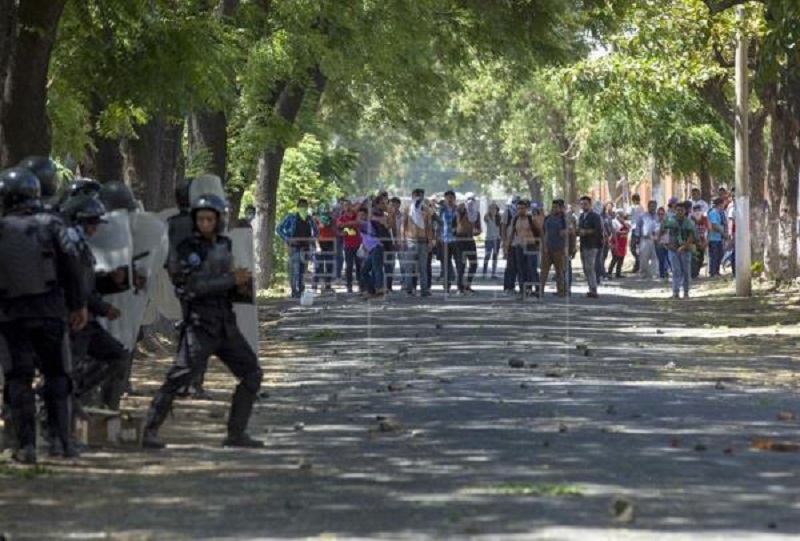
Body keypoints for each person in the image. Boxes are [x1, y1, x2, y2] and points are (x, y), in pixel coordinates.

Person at [143, 193, 263, 449]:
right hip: (200, 325)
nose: (205, 224)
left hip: (225, 324)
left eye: (210, 219)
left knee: (252, 373)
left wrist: (240, 287)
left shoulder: (225, 246)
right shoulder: (186, 250)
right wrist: (232, 280)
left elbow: (226, 283)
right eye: (201, 219)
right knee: (178, 377)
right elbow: (191, 287)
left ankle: (236, 433)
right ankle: (149, 429)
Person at [0, 167, 88, 463]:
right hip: (50, 312)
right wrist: (78, 305)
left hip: (10, 316)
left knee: (18, 379)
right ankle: (62, 442)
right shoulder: (53, 224)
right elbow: (71, 266)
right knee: (58, 376)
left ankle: (25, 446)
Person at [61, 195, 127, 412]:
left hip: (87, 321)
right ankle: (52, 406)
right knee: (66, 370)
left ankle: (72, 396)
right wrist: (103, 308)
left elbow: (88, 285)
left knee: (117, 356)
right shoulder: (66, 248)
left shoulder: (81, 248)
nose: (94, 229)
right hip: (73, 321)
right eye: (90, 223)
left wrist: (112, 281)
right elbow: (74, 287)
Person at [277, 199, 318, 299]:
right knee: (294, 269)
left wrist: (312, 240)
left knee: (302, 270)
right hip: (294, 247)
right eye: (301, 206)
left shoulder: (309, 219)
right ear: (298, 207)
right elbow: (279, 229)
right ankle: (294, 291)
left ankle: (301, 289)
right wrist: (288, 239)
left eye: (305, 206)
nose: (303, 208)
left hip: (306, 248)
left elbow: (316, 231)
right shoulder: (291, 217)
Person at [505, 199, 541, 300]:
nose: (521, 210)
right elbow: (511, 235)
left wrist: (540, 245)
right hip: (518, 247)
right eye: (519, 208)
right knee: (521, 270)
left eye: (523, 208)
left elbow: (540, 232)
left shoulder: (531, 219)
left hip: (530, 246)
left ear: (527, 209)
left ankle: (537, 290)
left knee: (532, 269)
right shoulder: (515, 219)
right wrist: (507, 248)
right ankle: (524, 291)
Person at [661, 202, 696, 299]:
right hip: (673, 249)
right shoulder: (670, 221)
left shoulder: (689, 222)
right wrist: (663, 242)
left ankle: (686, 292)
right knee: (676, 271)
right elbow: (663, 230)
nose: (680, 212)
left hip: (686, 250)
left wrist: (684, 247)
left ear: (685, 211)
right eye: (678, 210)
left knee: (686, 271)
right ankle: (675, 292)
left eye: (682, 210)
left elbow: (691, 236)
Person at [402, 188, 432, 297]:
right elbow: (403, 225)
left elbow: (429, 226)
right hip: (411, 241)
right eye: (416, 195)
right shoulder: (407, 209)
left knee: (423, 268)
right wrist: (402, 239)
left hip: (423, 241)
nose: (419, 198)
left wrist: (430, 241)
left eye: (421, 196)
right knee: (409, 267)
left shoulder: (426, 209)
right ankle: (409, 289)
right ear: (412, 196)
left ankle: (424, 290)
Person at [540, 199, 570, 297]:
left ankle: (561, 291)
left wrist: (567, 247)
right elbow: (544, 233)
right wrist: (543, 246)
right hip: (548, 249)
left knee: (559, 271)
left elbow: (569, 233)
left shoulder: (564, 219)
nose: (553, 209)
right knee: (544, 271)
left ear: (561, 208)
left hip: (559, 249)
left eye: (556, 207)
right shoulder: (547, 218)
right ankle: (540, 290)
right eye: (553, 207)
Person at [578, 196, 603, 298]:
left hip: (592, 244)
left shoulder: (595, 216)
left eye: (585, 204)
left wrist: (586, 231)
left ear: (590, 204)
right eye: (582, 204)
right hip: (583, 244)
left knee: (590, 267)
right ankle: (590, 287)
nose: (584, 206)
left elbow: (597, 230)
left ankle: (594, 288)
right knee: (585, 268)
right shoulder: (581, 216)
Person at [453, 201, 480, 295]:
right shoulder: (460, 211)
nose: (470, 203)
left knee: (474, 264)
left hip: (470, 240)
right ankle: (460, 288)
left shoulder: (476, 214)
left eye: (473, 200)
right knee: (461, 265)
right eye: (468, 200)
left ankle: (467, 285)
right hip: (460, 240)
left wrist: (476, 231)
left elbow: (479, 229)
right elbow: (454, 225)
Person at [336, 200, 363, 293]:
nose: (347, 207)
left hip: (358, 244)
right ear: (343, 207)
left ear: (352, 206)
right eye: (345, 206)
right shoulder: (342, 217)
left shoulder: (357, 215)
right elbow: (338, 227)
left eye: (349, 205)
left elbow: (358, 223)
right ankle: (349, 285)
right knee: (349, 266)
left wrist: (347, 224)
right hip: (348, 245)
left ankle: (361, 284)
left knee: (359, 265)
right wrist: (342, 232)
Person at [312, 204, 336, 295]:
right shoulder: (315, 220)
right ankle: (314, 287)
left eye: (328, 210)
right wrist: (317, 245)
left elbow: (332, 228)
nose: (326, 212)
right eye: (324, 210)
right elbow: (314, 233)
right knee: (318, 266)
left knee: (329, 265)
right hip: (320, 243)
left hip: (330, 243)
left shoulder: (332, 219)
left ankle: (327, 285)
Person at [440, 191, 459, 294]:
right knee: (446, 264)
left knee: (459, 263)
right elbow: (438, 224)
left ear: (454, 198)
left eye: (451, 198)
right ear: (445, 199)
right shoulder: (441, 210)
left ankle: (459, 286)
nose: (450, 200)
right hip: (444, 240)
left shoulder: (458, 210)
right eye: (447, 198)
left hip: (456, 240)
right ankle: (446, 286)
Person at [637, 200, 660, 279]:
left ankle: (654, 273)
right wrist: (637, 239)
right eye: (651, 206)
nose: (653, 207)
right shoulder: (642, 216)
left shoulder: (658, 216)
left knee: (655, 257)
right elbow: (638, 227)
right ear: (648, 206)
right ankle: (643, 274)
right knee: (643, 257)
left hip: (656, 239)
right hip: (645, 239)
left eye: (654, 206)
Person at [707, 197, 727, 277]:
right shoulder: (713, 213)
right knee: (714, 256)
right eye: (723, 204)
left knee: (720, 254)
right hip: (713, 238)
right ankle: (713, 272)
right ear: (720, 204)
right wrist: (723, 233)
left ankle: (716, 271)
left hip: (718, 238)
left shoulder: (719, 213)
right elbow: (714, 225)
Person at [608, 209, 629, 279]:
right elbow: (614, 232)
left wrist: (623, 222)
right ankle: (609, 273)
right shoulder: (613, 222)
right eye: (619, 214)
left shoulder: (623, 222)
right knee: (615, 258)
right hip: (615, 241)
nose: (620, 215)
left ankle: (618, 273)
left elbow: (628, 228)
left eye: (621, 214)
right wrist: (622, 232)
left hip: (622, 242)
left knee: (621, 258)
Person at [691, 203, 710, 278]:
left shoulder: (705, 219)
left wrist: (706, 241)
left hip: (703, 241)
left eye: (698, 210)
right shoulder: (691, 219)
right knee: (694, 258)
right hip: (693, 242)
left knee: (701, 258)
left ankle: (697, 272)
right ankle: (694, 273)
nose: (697, 212)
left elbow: (709, 230)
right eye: (695, 210)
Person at [483, 203, 502, 279]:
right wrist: (490, 212)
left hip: (497, 239)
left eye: (494, 208)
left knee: (495, 256)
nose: (493, 210)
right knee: (487, 255)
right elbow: (485, 218)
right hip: (489, 239)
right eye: (491, 208)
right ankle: (484, 272)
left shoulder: (499, 218)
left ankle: (493, 273)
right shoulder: (487, 217)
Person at [628, 194, 643, 273]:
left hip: (634, 228)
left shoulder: (632, 207)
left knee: (632, 248)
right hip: (640, 230)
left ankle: (638, 262)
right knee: (638, 248)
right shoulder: (641, 208)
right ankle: (638, 264)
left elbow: (627, 215)